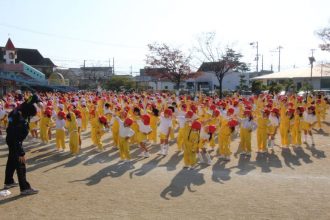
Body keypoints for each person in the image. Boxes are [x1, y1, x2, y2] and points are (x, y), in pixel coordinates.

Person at [4, 94, 41, 195]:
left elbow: (27, 103)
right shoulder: (23, 124)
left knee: (11, 160)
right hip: (14, 141)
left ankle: (9, 181)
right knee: (21, 164)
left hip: (10, 137)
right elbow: (17, 140)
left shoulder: (17, 110)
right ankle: (25, 188)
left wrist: (34, 100)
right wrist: (21, 153)